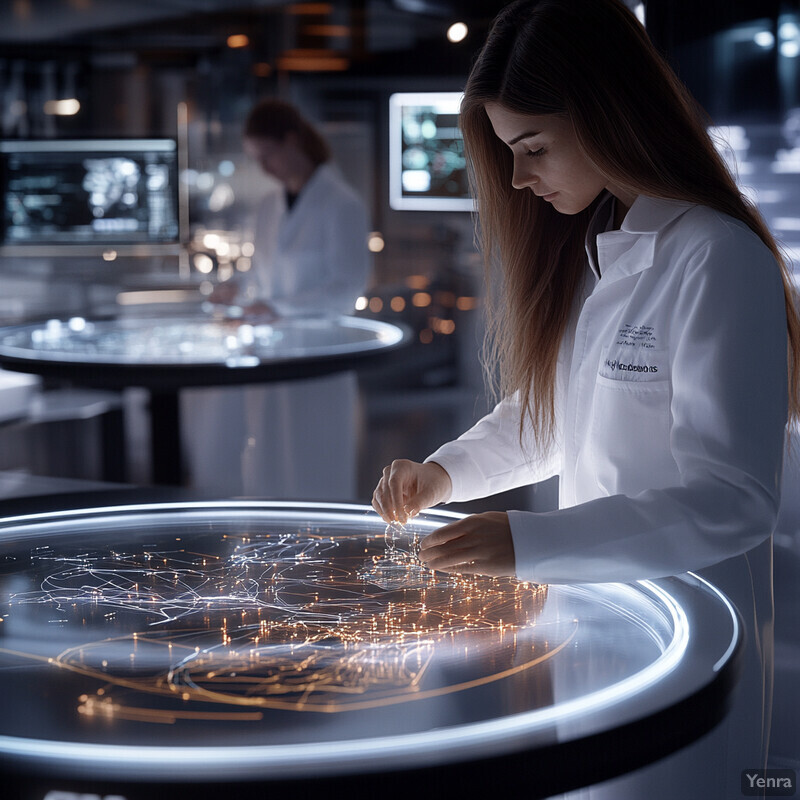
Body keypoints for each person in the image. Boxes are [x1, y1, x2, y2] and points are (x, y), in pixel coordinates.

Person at [372, 1, 800, 797]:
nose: (519, 178)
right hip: (605, 611)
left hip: (692, 619)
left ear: (608, 114)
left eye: (532, 148)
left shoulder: (716, 258)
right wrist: (445, 474)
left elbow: (735, 499)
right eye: (508, 152)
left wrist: (527, 542)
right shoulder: (607, 245)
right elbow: (559, 420)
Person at [184, 99, 371, 499]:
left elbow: (348, 286)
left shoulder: (342, 204)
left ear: (291, 141)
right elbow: (261, 271)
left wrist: (278, 308)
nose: (265, 168)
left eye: (267, 155)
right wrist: (236, 285)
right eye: (257, 159)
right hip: (273, 357)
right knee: (268, 463)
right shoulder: (269, 206)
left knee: (316, 470)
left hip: (320, 359)